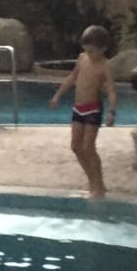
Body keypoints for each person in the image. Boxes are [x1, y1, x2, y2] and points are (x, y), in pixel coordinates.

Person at [47, 25, 117, 199]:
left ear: (103, 48)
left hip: (93, 108)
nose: (89, 54)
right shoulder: (82, 58)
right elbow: (72, 77)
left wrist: (111, 111)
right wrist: (57, 96)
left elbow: (111, 90)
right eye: (87, 50)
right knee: (76, 147)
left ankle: (99, 184)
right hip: (78, 107)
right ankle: (91, 180)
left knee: (88, 147)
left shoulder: (105, 66)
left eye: (92, 51)